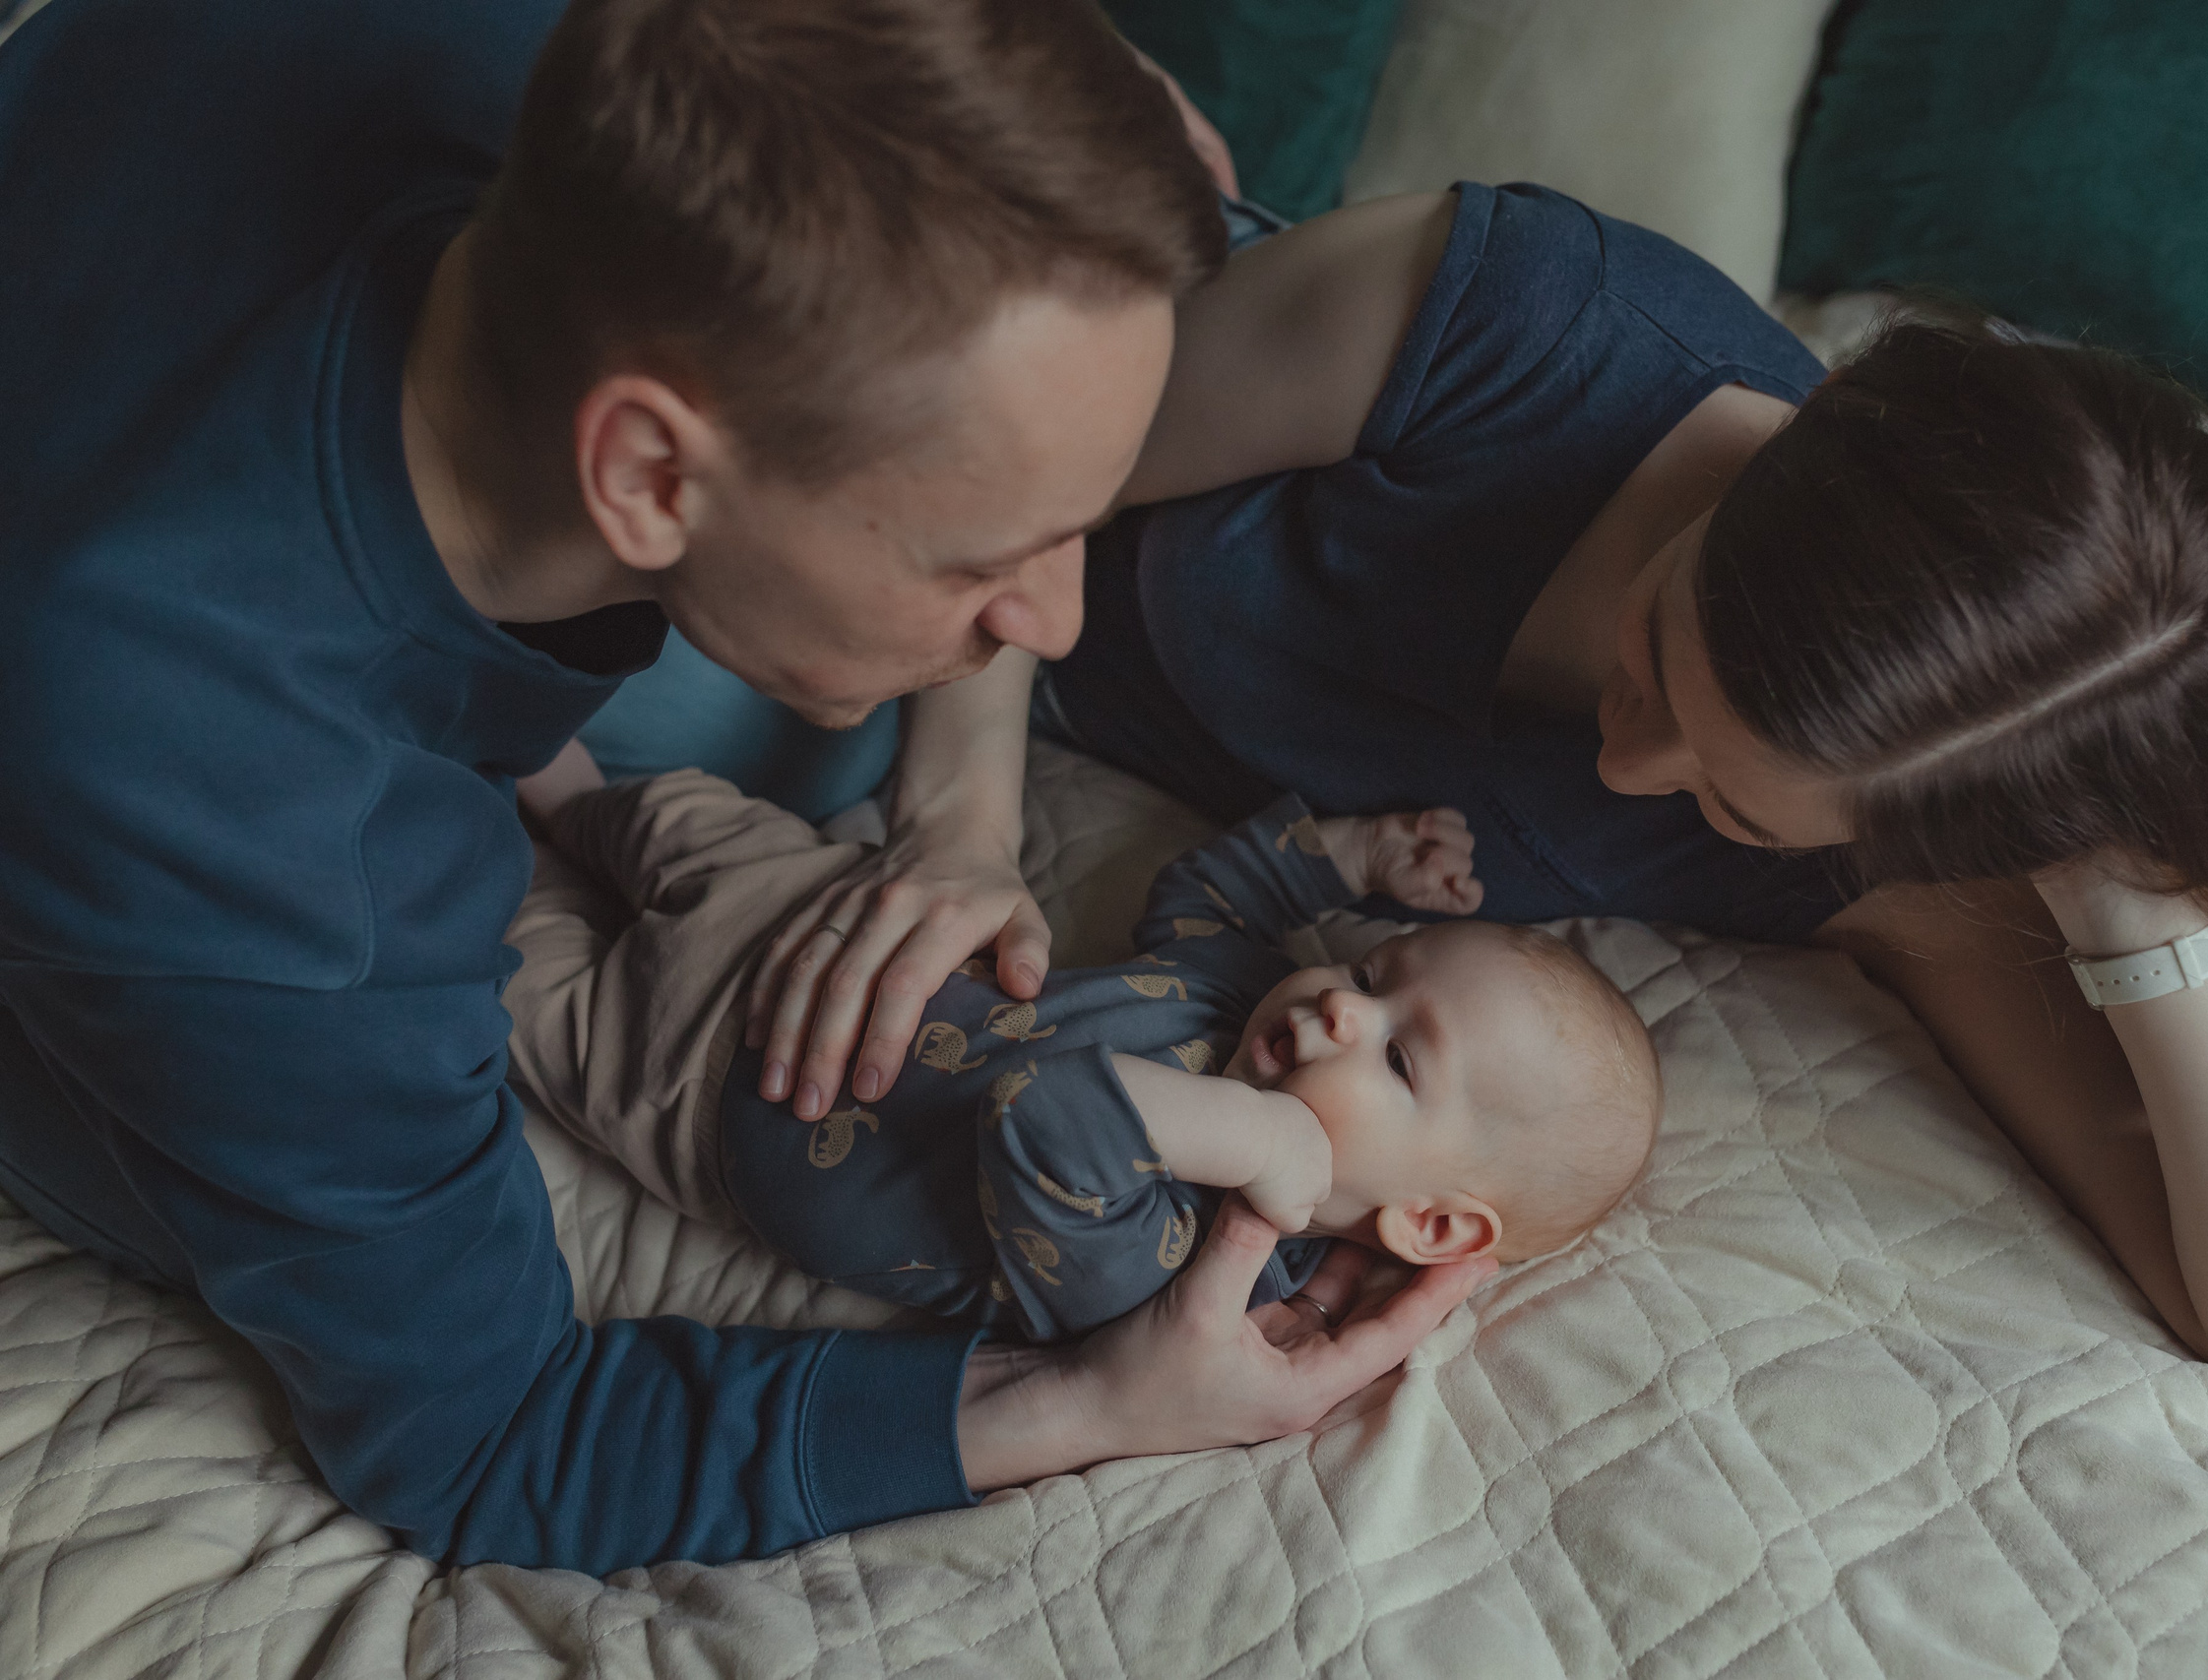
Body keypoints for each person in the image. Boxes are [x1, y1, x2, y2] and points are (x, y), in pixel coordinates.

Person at [0, 0, 1487, 1575]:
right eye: (986, 554)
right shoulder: (255, 856)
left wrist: (1037, 89)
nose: (1053, 622)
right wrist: (1092, 1394)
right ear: (647, 473)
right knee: (209, 1193)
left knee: (849, 717)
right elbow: (487, 1434)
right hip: (109, 756)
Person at [961, 182, 2208, 1431]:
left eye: (1738, 810)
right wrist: (953, 825)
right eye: (1659, 659)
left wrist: (2128, 880)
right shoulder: (1510, 324)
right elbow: (994, 471)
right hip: (938, 457)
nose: (1625, 773)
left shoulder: (1915, 841)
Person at [502, 756, 1659, 1340]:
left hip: (706, 1091)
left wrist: (1258, 1137)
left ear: (1434, 1224)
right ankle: (566, 796)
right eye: (1370, 975)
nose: (1342, 1009)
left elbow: (1043, 1114)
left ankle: (494, 852)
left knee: (511, 963)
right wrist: (1348, 858)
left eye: (1399, 1060)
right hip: (824, 916)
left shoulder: (1189, 1269)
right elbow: (1209, 893)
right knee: (671, 813)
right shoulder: (1251, 997)